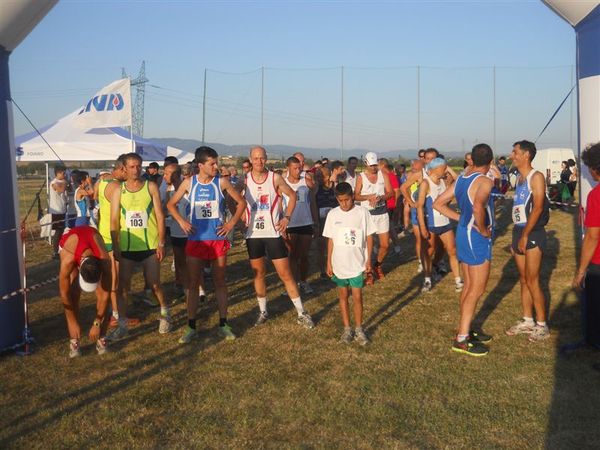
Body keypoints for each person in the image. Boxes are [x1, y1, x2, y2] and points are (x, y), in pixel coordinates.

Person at [168, 147, 247, 343]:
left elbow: (242, 203)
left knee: (220, 282)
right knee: (194, 283)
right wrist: (182, 221)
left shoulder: (221, 182)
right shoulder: (189, 182)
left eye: (216, 162)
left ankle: (223, 323)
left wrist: (230, 224)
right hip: (196, 240)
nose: (216, 166)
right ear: (200, 165)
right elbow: (171, 205)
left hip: (217, 239)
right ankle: (191, 326)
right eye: (212, 164)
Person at [240, 146, 314, 328]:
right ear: (250, 159)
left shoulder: (275, 178)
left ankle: (301, 312)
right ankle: (263, 311)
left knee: (286, 273)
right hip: (253, 234)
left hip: (272, 233)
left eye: (262, 158)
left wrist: (287, 217)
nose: (259, 162)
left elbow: (292, 195)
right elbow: (232, 196)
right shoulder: (245, 179)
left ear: (266, 159)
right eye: (255, 158)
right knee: (259, 274)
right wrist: (239, 216)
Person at [434, 143, 495, 357]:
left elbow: (438, 203)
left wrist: (461, 219)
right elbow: (478, 206)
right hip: (475, 237)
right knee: (476, 289)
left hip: (463, 233)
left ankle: (465, 330)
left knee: (469, 286)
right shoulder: (485, 181)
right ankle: (461, 339)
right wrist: (482, 229)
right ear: (489, 162)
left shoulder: (462, 178)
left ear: (472, 160)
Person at [109, 152, 171, 337]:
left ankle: (165, 313)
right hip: (127, 248)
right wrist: (116, 245)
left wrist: (161, 243)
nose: (136, 170)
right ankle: (122, 324)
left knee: (154, 285)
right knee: (123, 287)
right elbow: (113, 220)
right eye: (132, 166)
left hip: (150, 246)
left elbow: (160, 215)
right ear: (124, 169)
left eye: (138, 166)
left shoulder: (150, 186)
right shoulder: (119, 190)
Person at [505, 140, 551, 342]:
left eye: (515, 152)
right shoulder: (520, 179)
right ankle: (527, 320)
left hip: (533, 233)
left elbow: (538, 207)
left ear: (526, 155)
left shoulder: (536, 177)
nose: (511, 155)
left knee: (533, 280)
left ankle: (542, 324)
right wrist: (517, 235)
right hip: (519, 231)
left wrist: (525, 235)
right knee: (523, 279)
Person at [323, 182, 375, 345]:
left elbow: (369, 236)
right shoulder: (333, 214)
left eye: (347, 200)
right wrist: (329, 262)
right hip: (340, 264)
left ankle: (359, 328)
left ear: (353, 196)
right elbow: (330, 239)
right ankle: (347, 329)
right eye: (340, 200)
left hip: (357, 263)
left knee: (358, 296)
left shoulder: (362, 212)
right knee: (343, 296)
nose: (344, 204)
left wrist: (368, 259)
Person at [93, 155, 139, 331]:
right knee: (115, 281)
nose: (133, 173)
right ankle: (116, 316)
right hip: (112, 239)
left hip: (107, 236)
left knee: (114, 279)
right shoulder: (114, 187)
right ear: (122, 169)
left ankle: (116, 313)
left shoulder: (104, 181)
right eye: (130, 169)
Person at [58, 225, 111, 357]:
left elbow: (106, 296)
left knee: (101, 292)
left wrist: (97, 323)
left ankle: (102, 338)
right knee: (73, 293)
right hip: (71, 245)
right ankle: (74, 341)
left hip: (92, 238)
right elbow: (64, 294)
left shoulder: (104, 260)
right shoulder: (68, 260)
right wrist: (72, 321)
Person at [417, 157, 463, 293]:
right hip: (431, 224)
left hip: (445, 223)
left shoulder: (444, 181)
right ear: (436, 169)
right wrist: (423, 227)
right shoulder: (426, 183)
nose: (446, 171)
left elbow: (458, 181)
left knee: (452, 250)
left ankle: (458, 280)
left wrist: (448, 168)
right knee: (429, 252)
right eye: (444, 168)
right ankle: (427, 279)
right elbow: (420, 207)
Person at [573, 142, 600, 348]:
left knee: (594, 306)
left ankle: (593, 342)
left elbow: (592, 236)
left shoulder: (596, 195)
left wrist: (581, 271)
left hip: (598, 264)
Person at [354, 152, 394, 283]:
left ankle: (378, 265)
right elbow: (356, 196)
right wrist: (368, 197)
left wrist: (381, 198)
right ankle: (368, 271)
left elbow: (391, 192)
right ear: (366, 163)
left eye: (375, 165)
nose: (373, 168)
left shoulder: (383, 175)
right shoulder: (361, 177)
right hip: (367, 214)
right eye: (371, 165)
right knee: (367, 246)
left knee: (385, 245)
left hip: (382, 212)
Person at [282, 156, 318, 294]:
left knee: (303, 255)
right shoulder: (282, 183)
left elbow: (313, 203)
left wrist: (316, 222)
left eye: (300, 168)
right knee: (291, 255)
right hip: (289, 224)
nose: (298, 171)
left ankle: (303, 281)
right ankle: (292, 283)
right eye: (295, 168)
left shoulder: (307, 182)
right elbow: (279, 205)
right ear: (288, 168)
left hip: (306, 223)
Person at [315, 165, 339, 279]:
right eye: (317, 176)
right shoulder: (315, 189)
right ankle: (322, 271)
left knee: (335, 246)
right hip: (321, 221)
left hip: (335, 222)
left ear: (328, 176)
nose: (318, 178)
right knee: (321, 248)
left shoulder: (335, 188)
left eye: (321, 176)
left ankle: (335, 267)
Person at [379, 158, 402, 254]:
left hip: (390, 205)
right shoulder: (383, 176)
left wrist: (396, 205)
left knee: (390, 227)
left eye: (378, 165)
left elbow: (397, 191)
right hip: (386, 205)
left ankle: (396, 247)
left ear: (382, 165)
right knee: (388, 227)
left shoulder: (390, 176)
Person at [49, 165, 68, 258]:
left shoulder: (63, 181)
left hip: (63, 209)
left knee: (62, 230)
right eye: (63, 173)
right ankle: (55, 251)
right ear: (58, 173)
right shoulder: (53, 182)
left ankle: (59, 249)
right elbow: (61, 190)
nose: (65, 174)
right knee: (58, 231)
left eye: (65, 172)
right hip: (56, 210)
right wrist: (65, 183)